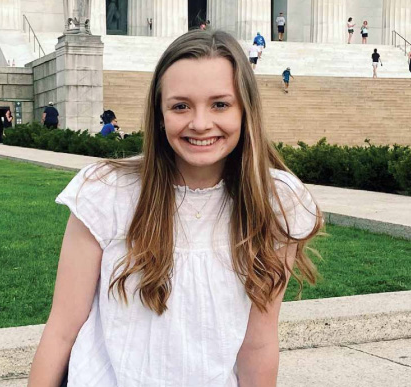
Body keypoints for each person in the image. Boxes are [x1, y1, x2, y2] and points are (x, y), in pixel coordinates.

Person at [28, 29, 321, 387]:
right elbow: (62, 330)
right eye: (180, 105)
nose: (200, 123)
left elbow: (257, 344)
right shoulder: (105, 191)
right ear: (160, 113)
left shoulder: (277, 201)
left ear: (246, 109)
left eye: (220, 104)